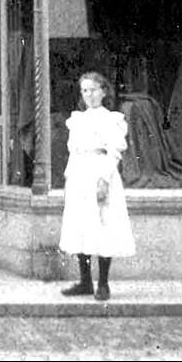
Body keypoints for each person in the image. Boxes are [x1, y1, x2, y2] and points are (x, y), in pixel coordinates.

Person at [59, 71, 134, 302]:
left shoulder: (111, 119)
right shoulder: (78, 120)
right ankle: (84, 281)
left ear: (103, 91)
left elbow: (114, 153)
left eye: (93, 90)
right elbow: (73, 151)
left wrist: (104, 180)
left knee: (103, 224)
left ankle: (103, 282)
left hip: (101, 172)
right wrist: (69, 177)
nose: (89, 95)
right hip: (80, 174)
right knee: (81, 225)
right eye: (85, 91)